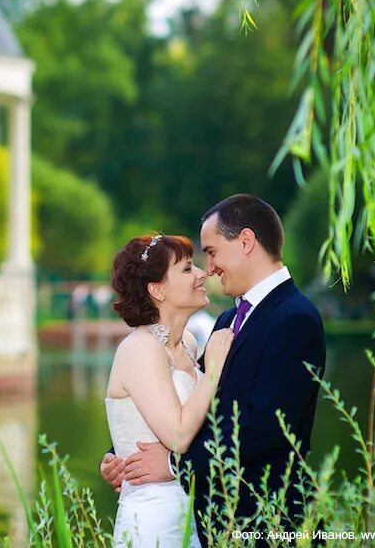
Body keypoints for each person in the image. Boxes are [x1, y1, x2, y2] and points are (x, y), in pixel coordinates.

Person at [100, 194, 326, 546]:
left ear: (246, 242)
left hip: (269, 518)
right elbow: (184, 404)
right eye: (197, 261)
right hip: (208, 521)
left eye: (212, 252)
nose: (209, 268)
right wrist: (123, 454)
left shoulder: (295, 318)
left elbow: (267, 429)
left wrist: (175, 466)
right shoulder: (226, 320)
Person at [104, 233, 235, 547]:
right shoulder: (139, 348)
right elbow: (177, 435)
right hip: (153, 519)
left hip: (194, 510)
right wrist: (212, 372)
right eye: (188, 269)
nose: (203, 273)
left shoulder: (189, 344)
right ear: (157, 289)